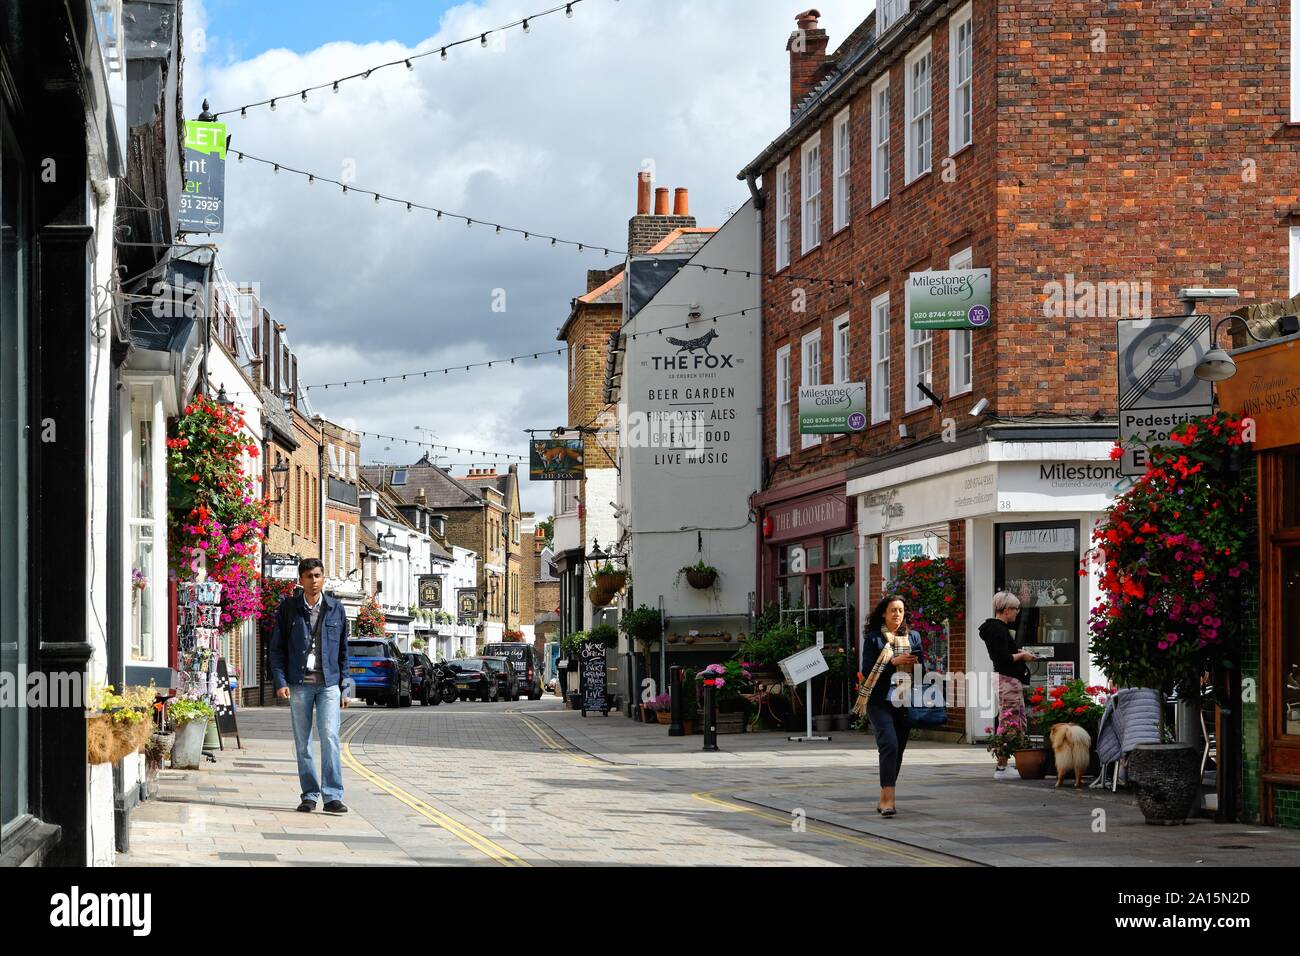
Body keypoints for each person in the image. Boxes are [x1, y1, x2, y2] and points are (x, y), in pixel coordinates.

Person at [269, 558, 350, 813]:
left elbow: (344, 653)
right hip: (299, 684)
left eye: (317, 575)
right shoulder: (289, 608)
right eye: (308, 576)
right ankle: (309, 795)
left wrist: (346, 689)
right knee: (302, 742)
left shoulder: (336, 608)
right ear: (300, 580)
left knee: (330, 736)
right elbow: (276, 649)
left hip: (329, 684)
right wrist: (280, 681)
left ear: (323, 577)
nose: (313, 581)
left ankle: (333, 795)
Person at [860, 594, 922, 817]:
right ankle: (888, 799)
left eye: (901, 610)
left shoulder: (913, 638)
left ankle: (885, 793)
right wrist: (892, 662)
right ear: (884, 613)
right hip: (879, 701)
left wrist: (915, 664)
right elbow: (868, 671)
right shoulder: (875, 639)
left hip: (903, 700)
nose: (897, 614)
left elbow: (921, 670)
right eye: (893, 610)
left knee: (898, 751)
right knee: (889, 744)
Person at [980, 591, 1037, 779]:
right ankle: (1002, 767)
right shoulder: (998, 630)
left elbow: (1003, 653)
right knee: (1009, 722)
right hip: (1007, 680)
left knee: (1015, 721)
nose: (1017, 613)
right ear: (1005, 610)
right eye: (1015, 609)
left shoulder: (998, 629)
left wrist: (1019, 652)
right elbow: (1002, 658)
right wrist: (1022, 655)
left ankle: (1006, 764)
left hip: (1008, 679)